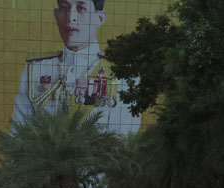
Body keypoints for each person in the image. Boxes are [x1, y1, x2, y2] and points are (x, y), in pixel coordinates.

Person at [12, 0, 138, 135]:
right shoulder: (36, 69)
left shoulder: (122, 73)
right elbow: (16, 138)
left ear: (100, 18)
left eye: (81, 8)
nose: (70, 17)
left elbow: (122, 140)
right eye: (64, 7)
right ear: (56, 15)